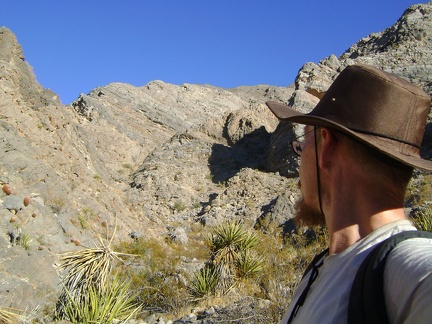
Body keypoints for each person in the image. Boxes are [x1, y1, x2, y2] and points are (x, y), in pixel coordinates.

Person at [266, 64, 432, 323]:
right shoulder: (321, 270)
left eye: (302, 147)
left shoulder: (409, 270)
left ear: (327, 146)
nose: (300, 164)